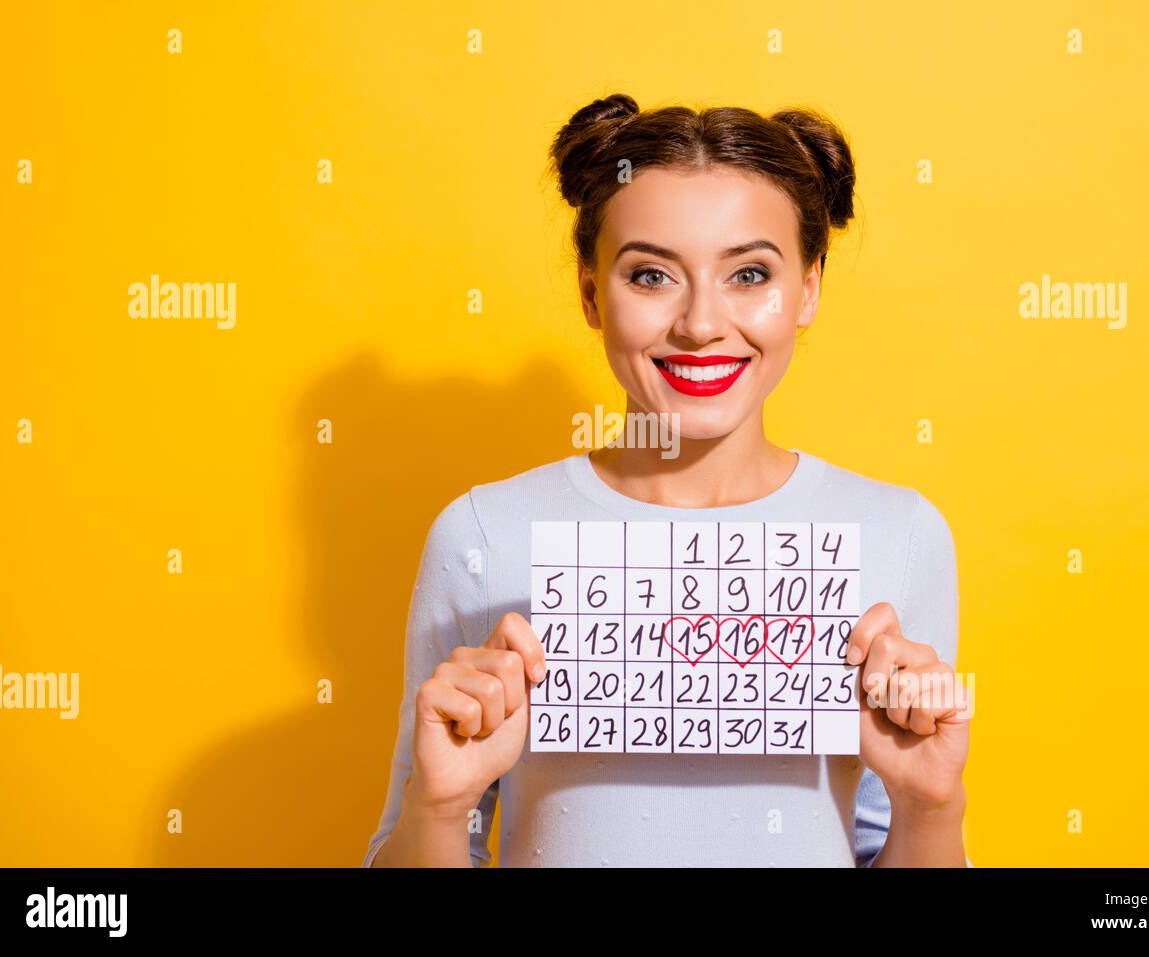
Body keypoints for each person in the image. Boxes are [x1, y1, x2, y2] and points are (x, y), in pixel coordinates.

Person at [365, 93, 972, 867]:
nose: (700, 323)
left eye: (750, 273)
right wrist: (442, 808)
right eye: (651, 275)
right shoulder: (483, 534)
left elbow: (887, 842)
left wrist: (930, 807)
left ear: (810, 288)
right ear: (591, 293)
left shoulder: (901, 535)